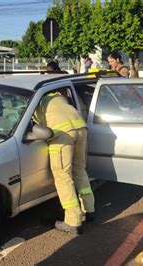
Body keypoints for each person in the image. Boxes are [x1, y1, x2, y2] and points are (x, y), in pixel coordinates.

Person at [33, 90, 95, 235]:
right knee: (79, 170)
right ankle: (89, 209)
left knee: (63, 176)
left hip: (62, 133)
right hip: (80, 127)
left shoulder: (36, 101)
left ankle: (73, 221)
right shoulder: (56, 95)